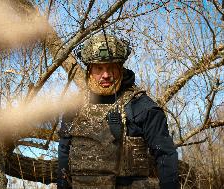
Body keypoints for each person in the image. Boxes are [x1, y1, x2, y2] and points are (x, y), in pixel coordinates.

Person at [57, 34, 179, 189]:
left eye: (112, 67)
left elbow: (166, 156)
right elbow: (63, 156)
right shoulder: (73, 108)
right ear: (89, 69)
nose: (106, 75)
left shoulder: (142, 107)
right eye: (99, 68)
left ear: (121, 67)